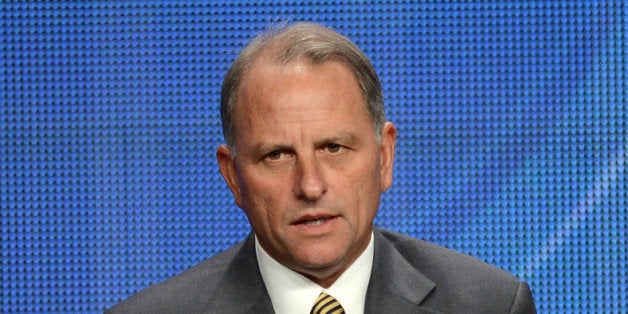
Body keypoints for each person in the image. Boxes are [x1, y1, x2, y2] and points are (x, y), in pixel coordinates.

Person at [108, 22, 536, 313]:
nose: (310, 185)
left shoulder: (490, 304)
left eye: (333, 147)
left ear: (384, 156)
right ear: (233, 176)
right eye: (276, 155)